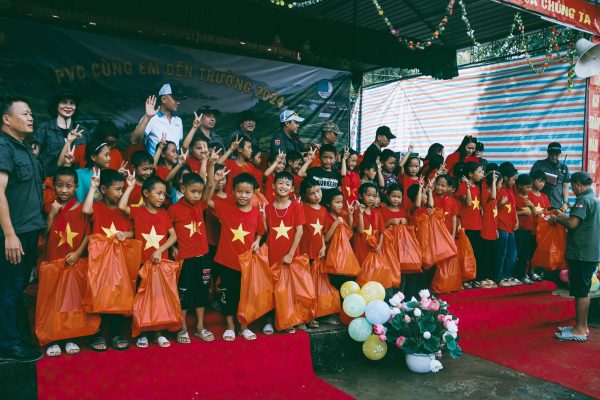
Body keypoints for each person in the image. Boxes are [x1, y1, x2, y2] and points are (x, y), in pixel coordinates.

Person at [0, 98, 44, 361]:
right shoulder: (3, 147)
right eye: (24, 113)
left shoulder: (24, 149)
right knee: (9, 288)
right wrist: (9, 235)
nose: (30, 117)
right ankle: (8, 345)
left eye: (31, 113)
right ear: (6, 119)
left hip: (28, 232)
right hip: (12, 234)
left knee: (17, 288)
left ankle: (16, 337)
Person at [119, 174, 177, 348]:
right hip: (142, 264)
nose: (162, 197)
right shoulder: (138, 212)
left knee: (158, 299)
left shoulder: (164, 214)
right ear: (146, 193)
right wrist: (130, 186)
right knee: (142, 299)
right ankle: (141, 332)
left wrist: (160, 250)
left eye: (164, 194)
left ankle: (158, 332)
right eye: (158, 193)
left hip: (160, 264)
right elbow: (122, 206)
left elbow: (173, 236)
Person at [206, 171, 264, 342]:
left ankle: (243, 327)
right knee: (227, 295)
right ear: (232, 191)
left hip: (246, 263)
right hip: (226, 261)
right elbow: (207, 201)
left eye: (247, 192)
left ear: (254, 193)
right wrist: (215, 182)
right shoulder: (225, 208)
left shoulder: (256, 213)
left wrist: (257, 241)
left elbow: (261, 231)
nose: (243, 195)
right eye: (239, 191)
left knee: (244, 296)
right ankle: (230, 326)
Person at [82, 168, 133, 352]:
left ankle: (116, 333)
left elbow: (133, 231)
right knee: (99, 296)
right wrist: (92, 187)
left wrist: (125, 234)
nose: (120, 193)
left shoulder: (123, 210)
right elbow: (86, 210)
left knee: (117, 296)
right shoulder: (96, 206)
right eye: (117, 189)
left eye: (122, 189)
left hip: (119, 262)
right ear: (103, 189)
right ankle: (98, 334)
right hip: (99, 262)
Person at [43, 166, 90, 357]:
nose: (64, 190)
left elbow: (88, 234)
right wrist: (52, 215)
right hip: (53, 260)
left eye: (68, 186)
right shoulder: (49, 206)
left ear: (76, 187)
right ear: (54, 185)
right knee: (52, 300)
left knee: (71, 301)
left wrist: (78, 253)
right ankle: (53, 338)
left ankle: (70, 336)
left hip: (73, 262)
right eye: (60, 185)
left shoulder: (81, 208)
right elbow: (43, 234)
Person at [550, 172, 599, 342]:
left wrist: (558, 219)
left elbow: (572, 223)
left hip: (581, 253)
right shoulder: (594, 199)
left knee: (580, 292)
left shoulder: (583, 200)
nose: (572, 189)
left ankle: (579, 330)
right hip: (590, 252)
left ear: (578, 184)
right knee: (583, 291)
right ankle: (582, 326)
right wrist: (564, 216)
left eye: (572, 186)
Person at [168, 173, 214, 344]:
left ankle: (200, 327)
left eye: (199, 192)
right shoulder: (173, 209)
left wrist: (210, 163)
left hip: (203, 256)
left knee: (202, 292)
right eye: (193, 191)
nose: (197, 195)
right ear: (182, 189)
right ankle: (183, 328)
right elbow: (166, 231)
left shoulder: (201, 205)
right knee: (184, 294)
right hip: (185, 258)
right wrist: (172, 247)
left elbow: (210, 186)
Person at [265, 171, 306, 332]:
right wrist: (262, 217)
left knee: (289, 288)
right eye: (280, 183)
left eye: (287, 184)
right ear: (273, 185)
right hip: (272, 253)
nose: (283, 186)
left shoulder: (296, 206)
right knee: (272, 288)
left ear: (292, 189)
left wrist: (290, 254)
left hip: (290, 255)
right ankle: (270, 320)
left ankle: (288, 320)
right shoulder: (268, 208)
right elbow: (266, 231)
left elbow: (300, 231)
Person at [34, 88, 91, 177]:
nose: (68, 106)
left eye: (72, 103)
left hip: (77, 181)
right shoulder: (44, 129)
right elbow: (33, 157)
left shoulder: (83, 131)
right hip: (49, 180)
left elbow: (90, 159)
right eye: (64, 102)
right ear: (56, 105)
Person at [130, 84, 185, 156]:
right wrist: (147, 117)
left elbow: (179, 147)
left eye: (179, 99)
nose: (178, 102)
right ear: (164, 99)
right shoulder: (151, 117)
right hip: (155, 162)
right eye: (175, 99)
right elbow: (134, 140)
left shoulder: (178, 121)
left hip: (174, 163)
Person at [496, 163, 519, 287]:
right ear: (505, 178)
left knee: (512, 253)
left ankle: (508, 276)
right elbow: (492, 208)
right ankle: (499, 277)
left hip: (511, 226)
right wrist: (500, 203)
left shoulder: (510, 190)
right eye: (513, 179)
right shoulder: (498, 190)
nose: (514, 182)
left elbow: (514, 207)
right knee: (501, 253)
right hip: (501, 225)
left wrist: (517, 220)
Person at [530, 142, 570, 211]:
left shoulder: (564, 168)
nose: (554, 157)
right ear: (547, 153)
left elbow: (565, 186)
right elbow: (530, 181)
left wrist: (565, 202)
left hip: (557, 205)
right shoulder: (539, 165)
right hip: (539, 204)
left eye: (556, 154)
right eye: (552, 154)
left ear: (560, 154)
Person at [353, 183, 384, 265]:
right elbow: (360, 231)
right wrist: (360, 213)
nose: (371, 198)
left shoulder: (377, 214)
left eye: (374, 196)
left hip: (374, 250)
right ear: (360, 196)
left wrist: (379, 245)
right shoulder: (356, 212)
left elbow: (381, 232)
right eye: (368, 195)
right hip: (361, 249)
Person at [514, 174, 536, 284]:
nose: (529, 189)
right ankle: (513, 275)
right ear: (519, 186)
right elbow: (511, 213)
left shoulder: (530, 197)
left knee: (525, 254)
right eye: (527, 187)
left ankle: (522, 275)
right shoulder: (514, 197)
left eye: (531, 187)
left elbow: (535, 215)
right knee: (516, 253)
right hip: (518, 229)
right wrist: (522, 212)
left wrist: (532, 206)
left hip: (529, 230)